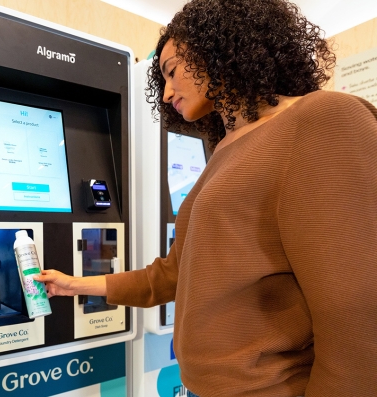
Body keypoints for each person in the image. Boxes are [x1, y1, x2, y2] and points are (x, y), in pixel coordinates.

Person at [33, 0, 377, 395]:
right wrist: (76, 285)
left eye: (171, 71)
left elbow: (359, 317)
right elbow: (172, 275)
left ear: (215, 49)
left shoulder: (323, 118)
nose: (165, 94)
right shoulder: (226, 150)